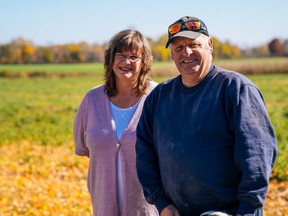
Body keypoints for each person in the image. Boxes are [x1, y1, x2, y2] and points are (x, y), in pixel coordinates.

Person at [136, 16, 278, 216]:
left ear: (209, 45)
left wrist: (247, 208)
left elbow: (257, 156)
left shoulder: (235, 89)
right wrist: (161, 203)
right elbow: (144, 153)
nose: (186, 52)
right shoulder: (159, 96)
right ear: (171, 55)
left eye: (194, 44)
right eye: (179, 48)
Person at [73, 29, 158, 216]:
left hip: (148, 210)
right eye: (120, 55)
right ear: (110, 59)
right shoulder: (91, 99)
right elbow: (87, 149)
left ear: (144, 62)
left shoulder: (158, 97)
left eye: (134, 56)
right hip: (103, 208)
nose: (126, 62)